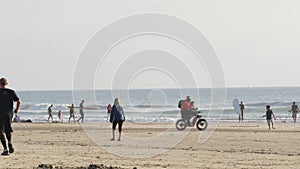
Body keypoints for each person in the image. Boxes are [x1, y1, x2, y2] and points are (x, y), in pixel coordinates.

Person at [0, 77, 21, 156]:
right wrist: (16, 110)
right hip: (9, 113)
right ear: (6, 84)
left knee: (0, 131)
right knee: (8, 129)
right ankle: (9, 142)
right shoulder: (11, 92)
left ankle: (5, 149)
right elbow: (18, 101)